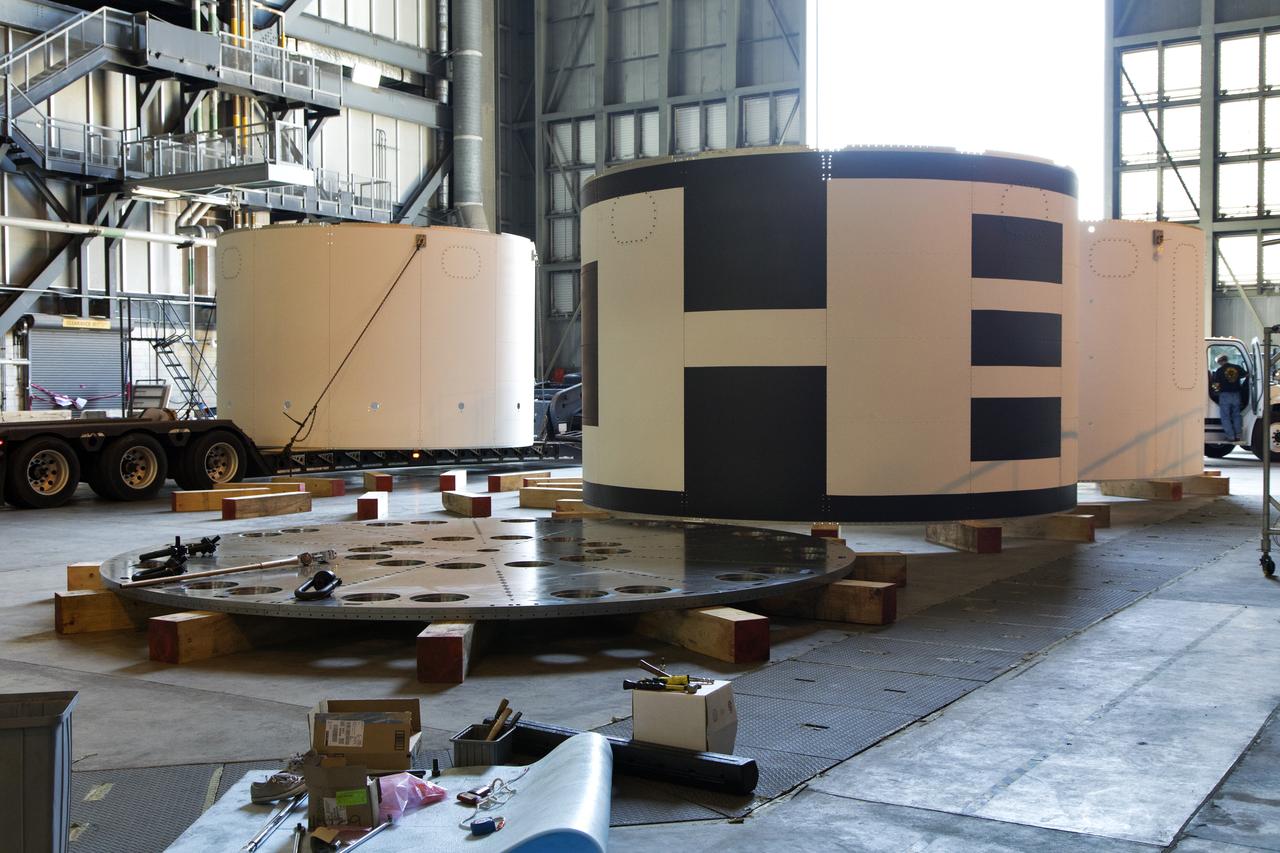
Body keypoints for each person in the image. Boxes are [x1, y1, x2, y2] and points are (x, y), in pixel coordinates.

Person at [1212, 353, 1249, 443]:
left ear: (1220, 362)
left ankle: (1231, 437)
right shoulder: (1236, 367)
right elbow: (1246, 375)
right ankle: (1238, 435)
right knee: (1236, 415)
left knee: (1225, 417)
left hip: (1224, 395)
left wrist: (1215, 393)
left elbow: (1215, 385)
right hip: (1236, 394)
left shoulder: (1219, 371)